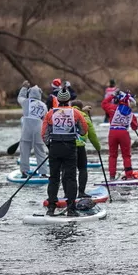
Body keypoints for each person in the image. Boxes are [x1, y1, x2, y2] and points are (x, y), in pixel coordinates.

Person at [42, 88, 90, 216]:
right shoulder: (76, 113)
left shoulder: (50, 113)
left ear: (57, 100)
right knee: (70, 178)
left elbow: (44, 134)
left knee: (54, 178)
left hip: (55, 148)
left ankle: (51, 207)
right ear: (69, 100)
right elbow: (84, 130)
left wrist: (50, 146)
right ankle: (71, 208)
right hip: (70, 148)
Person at [16, 81, 49, 178]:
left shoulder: (26, 102)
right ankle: (43, 173)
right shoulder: (44, 105)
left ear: (30, 93)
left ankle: (24, 171)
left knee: (25, 151)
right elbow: (45, 119)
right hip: (39, 129)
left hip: (27, 130)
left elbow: (20, 98)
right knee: (40, 151)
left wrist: (24, 88)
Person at [71, 100, 102, 197]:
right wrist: (98, 147)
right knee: (82, 169)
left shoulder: (65, 114)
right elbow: (92, 135)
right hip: (80, 146)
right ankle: (81, 192)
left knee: (68, 171)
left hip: (67, 146)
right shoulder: (85, 117)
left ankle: (69, 194)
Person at [108, 91, 138, 179]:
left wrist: (112, 96)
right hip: (124, 134)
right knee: (126, 156)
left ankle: (112, 176)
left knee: (112, 155)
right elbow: (135, 127)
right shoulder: (130, 113)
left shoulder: (112, 108)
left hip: (112, 133)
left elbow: (104, 103)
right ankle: (129, 175)